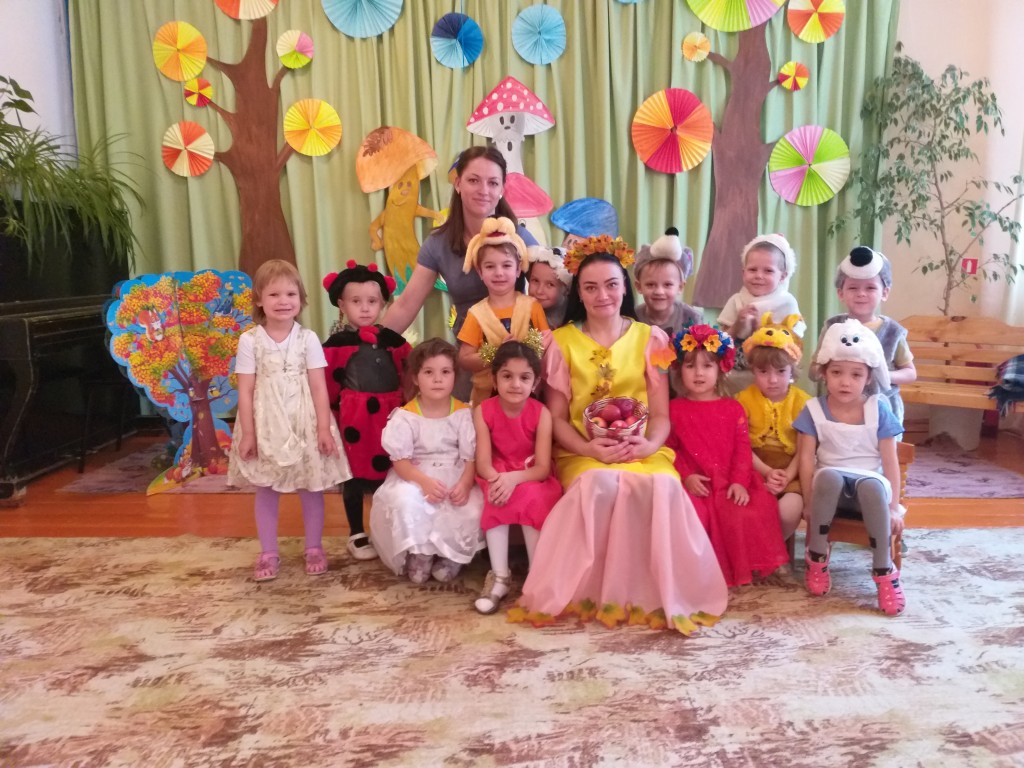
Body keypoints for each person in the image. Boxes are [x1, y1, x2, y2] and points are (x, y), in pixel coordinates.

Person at [510, 236, 728, 634]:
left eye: (611, 284)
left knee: (663, 485)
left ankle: (657, 593)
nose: (602, 295)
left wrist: (649, 444)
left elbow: (660, 414)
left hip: (643, 447)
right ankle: (594, 594)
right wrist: (589, 447)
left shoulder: (652, 339)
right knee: (601, 484)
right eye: (591, 287)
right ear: (578, 292)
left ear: (626, 287)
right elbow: (556, 419)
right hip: (582, 450)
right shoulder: (560, 343)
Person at [381, 146, 537, 400]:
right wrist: (371, 343)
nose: (483, 190)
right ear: (458, 184)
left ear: (502, 189)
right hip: (470, 358)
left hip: (517, 359)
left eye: (492, 182)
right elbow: (406, 304)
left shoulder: (518, 237)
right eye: (474, 180)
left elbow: (549, 287)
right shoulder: (438, 243)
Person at [228, 259, 351, 582]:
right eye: (274, 294)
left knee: (311, 487)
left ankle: (314, 547)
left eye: (290, 294)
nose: (283, 301)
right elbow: (246, 390)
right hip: (266, 425)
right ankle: (268, 551)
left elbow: (319, 387)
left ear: (301, 299)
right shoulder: (250, 341)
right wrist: (248, 434)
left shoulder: (307, 339)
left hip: (304, 423)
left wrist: (323, 428)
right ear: (259, 300)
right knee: (266, 488)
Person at [794, 318, 906, 616]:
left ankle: (884, 570)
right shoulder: (813, 410)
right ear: (824, 373)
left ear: (868, 378)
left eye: (856, 374)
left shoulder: (878, 409)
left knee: (871, 486)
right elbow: (806, 458)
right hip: (828, 491)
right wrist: (808, 502)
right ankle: (817, 556)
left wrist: (894, 506)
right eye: (836, 373)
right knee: (829, 476)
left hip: (869, 492)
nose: (845, 382)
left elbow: (890, 460)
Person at [665, 323, 789, 587]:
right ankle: (698, 570)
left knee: (752, 508)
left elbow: (742, 449)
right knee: (693, 513)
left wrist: (739, 482)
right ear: (679, 369)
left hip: (730, 478)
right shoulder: (673, 409)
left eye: (707, 366)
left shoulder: (733, 408)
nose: (699, 373)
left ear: (720, 369)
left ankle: (746, 564)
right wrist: (687, 476)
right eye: (690, 366)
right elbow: (670, 448)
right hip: (696, 481)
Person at [369, 338, 485, 583]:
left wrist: (465, 484)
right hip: (415, 474)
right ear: (415, 377)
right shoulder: (405, 417)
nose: (437, 379)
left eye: (445, 372)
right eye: (429, 372)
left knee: (470, 506)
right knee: (406, 501)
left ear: (455, 376)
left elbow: (470, 457)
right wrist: (423, 482)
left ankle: (452, 555)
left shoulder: (463, 413)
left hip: (455, 472)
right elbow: (401, 462)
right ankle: (421, 554)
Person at [322, 260, 411, 562]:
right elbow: (327, 385)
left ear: (383, 303)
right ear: (341, 304)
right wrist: (329, 420)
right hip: (354, 420)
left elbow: (409, 375)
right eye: (356, 301)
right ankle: (356, 532)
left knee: (391, 471)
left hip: (390, 416)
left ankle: (387, 528)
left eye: (372, 301)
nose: (364, 308)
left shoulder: (394, 343)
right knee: (353, 474)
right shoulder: (335, 345)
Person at [472, 342, 562, 614]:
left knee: (531, 497)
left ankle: (536, 576)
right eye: (507, 376)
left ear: (535, 383)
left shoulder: (541, 413)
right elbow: (483, 463)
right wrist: (500, 480)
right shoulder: (483, 411)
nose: (515, 384)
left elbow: (542, 467)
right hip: (496, 471)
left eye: (524, 377)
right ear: (495, 380)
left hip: (529, 472)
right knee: (494, 497)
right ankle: (499, 576)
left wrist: (513, 480)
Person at [809, 246, 916, 424]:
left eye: (870, 287)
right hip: (839, 410)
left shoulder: (892, 332)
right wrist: (823, 371)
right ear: (840, 293)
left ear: (885, 292)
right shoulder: (832, 327)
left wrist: (883, 375)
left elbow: (910, 373)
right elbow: (814, 369)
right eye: (853, 288)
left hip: (882, 414)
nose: (861, 294)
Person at [735, 313, 813, 541]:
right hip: (754, 472)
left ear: (792, 371)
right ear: (753, 370)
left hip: (792, 475)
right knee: (748, 510)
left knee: (787, 512)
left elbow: (805, 451)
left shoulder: (803, 403)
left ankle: (773, 549)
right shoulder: (742, 400)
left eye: (781, 372)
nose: (772, 380)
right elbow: (740, 447)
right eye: (763, 372)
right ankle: (757, 548)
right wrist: (766, 472)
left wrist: (787, 475)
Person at [456, 217, 549, 406]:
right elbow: (464, 360)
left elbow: (548, 348)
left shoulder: (532, 307)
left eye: (506, 265)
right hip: (487, 400)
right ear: (480, 272)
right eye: (490, 266)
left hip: (529, 397)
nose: (499, 273)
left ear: (518, 269)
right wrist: (496, 353)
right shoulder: (476, 314)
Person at [718, 234, 805, 393]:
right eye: (752, 270)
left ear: (782, 276)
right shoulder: (737, 300)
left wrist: (761, 329)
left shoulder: (786, 302)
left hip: (772, 371)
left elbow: (794, 344)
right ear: (743, 272)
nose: (759, 276)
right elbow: (721, 341)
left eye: (768, 271)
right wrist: (737, 325)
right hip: (737, 370)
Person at [633, 227, 702, 337]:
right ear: (639, 286)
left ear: (680, 287)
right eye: (650, 284)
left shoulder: (692, 318)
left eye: (667, 284)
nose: (659, 291)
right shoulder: (633, 318)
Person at [526, 244, 571, 328]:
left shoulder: (575, 323)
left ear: (567, 289)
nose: (539, 291)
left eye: (550, 284)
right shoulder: (521, 314)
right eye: (535, 280)